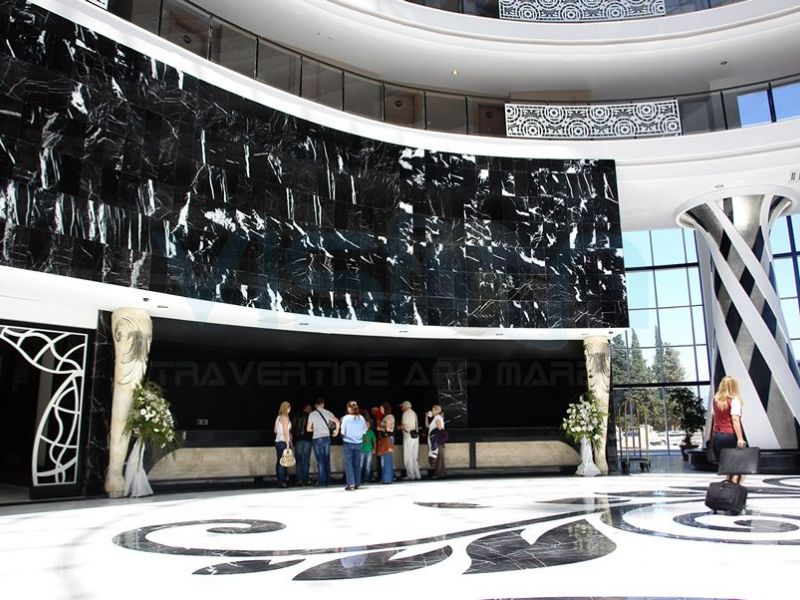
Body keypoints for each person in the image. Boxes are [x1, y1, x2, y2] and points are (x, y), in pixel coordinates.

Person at [710, 376, 746, 483]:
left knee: (726, 464)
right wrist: (740, 438)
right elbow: (735, 419)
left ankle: (728, 485)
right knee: (737, 464)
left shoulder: (715, 400)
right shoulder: (734, 400)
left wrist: (711, 435)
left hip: (718, 435)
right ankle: (734, 487)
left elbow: (714, 418)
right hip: (730, 435)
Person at [306, 397, 340, 486]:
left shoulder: (312, 414)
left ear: (315, 405)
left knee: (320, 460)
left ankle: (322, 481)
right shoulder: (328, 413)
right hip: (326, 438)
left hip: (317, 438)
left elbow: (308, 429)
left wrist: (316, 428)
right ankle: (328, 480)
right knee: (327, 459)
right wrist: (336, 432)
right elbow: (337, 421)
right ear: (323, 404)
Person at [340, 401, 368, 491]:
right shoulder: (362, 418)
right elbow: (365, 431)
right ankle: (358, 483)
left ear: (349, 408)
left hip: (348, 442)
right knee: (357, 464)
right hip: (358, 443)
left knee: (349, 464)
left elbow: (342, 432)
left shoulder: (346, 418)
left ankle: (351, 484)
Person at [291, 404, 313, 486]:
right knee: (306, 461)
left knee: (299, 461)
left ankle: (299, 480)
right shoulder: (310, 416)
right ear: (309, 409)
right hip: (307, 440)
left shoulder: (296, 416)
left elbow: (292, 427)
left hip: (298, 440)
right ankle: (306, 479)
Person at [400, 400, 421, 480]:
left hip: (408, 437)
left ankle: (410, 475)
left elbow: (405, 426)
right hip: (415, 437)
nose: (401, 408)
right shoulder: (414, 413)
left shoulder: (405, 414)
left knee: (408, 456)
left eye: (402, 406)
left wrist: (400, 427)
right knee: (414, 457)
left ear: (405, 406)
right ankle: (417, 474)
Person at [274, 401, 292, 488]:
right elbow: (286, 432)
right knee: (283, 463)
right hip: (283, 441)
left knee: (279, 462)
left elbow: (275, 430)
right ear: (287, 408)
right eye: (289, 407)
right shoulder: (285, 417)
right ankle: (282, 481)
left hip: (278, 441)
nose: (290, 409)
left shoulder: (278, 417)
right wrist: (288, 444)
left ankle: (280, 481)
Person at [425, 404, 446, 479]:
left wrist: (439, 439)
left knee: (438, 457)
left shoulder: (437, 417)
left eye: (433, 410)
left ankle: (439, 474)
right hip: (437, 441)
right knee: (439, 457)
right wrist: (426, 417)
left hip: (437, 441)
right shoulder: (436, 418)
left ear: (436, 410)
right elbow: (427, 426)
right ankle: (439, 473)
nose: (432, 411)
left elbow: (439, 428)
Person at [377, 403, 395, 484]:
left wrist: (379, 427)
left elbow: (388, 428)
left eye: (381, 408)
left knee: (386, 459)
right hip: (387, 438)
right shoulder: (389, 416)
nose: (380, 410)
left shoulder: (388, 417)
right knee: (387, 459)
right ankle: (388, 478)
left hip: (386, 438)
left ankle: (387, 478)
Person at [360, 411, 376, 483]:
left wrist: (374, 449)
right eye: (365, 424)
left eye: (368, 424)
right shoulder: (360, 432)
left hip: (369, 450)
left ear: (369, 425)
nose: (366, 426)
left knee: (368, 466)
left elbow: (374, 441)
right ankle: (359, 479)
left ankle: (366, 479)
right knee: (360, 465)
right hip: (362, 450)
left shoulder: (371, 432)